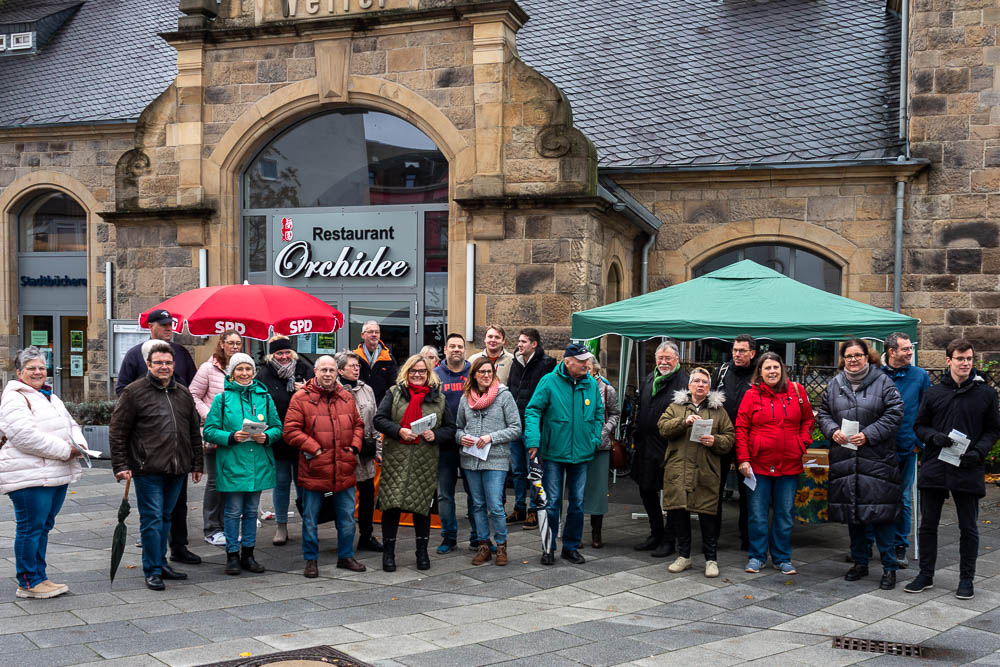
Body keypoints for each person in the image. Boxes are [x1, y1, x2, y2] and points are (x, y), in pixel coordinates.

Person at [908, 338, 1000, 601]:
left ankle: (966, 579)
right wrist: (933, 437)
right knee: (928, 525)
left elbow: (993, 429)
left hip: (968, 466)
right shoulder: (934, 393)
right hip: (936, 465)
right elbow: (919, 425)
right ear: (948, 361)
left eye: (969, 358)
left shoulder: (986, 393)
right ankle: (925, 574)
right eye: (960, 359)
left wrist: (979, 452)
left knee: (968, 527)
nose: (965, 363)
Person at [109, 342, 204, 591]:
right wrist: (120, 465)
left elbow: (193, 431)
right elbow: (118, 431)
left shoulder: (182, 392)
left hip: (177, 467)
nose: (164, 367)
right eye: (159, 363)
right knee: (152, 519)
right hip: (147, 467)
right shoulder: (133, 392)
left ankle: (161, 563)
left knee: (165, 517)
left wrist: (197, 463)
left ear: (174, 365)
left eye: (168, 363)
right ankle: (152, 569)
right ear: (148, 365)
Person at [817, 338, 904, 590]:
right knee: (853, 515)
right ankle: (859, 562)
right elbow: (823, 413)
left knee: (881, 516)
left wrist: (869, 434)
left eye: (858, 355)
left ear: (867, 357)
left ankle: (889, 567)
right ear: (843, 359)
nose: (853, 360)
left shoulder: (883, 381)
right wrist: (832, 430)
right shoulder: (835, 384)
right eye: (849, 356)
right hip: (846, 459)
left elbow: (895, 413)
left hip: (876, 461)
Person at [0, 346, 84, 599]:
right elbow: (25, 437)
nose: (38, 372)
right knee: (30, 528)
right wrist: (66, 451)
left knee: (43, 527)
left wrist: (80, 445)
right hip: (29, 476)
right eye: (31, 368)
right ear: (19, 372)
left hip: (53, 473)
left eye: (41, 367)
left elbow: (71, 424)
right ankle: (28, 582)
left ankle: (40, 577)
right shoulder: (15, 397)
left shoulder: (48, 396)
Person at [284, 355, 366, 577]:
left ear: (337, 372)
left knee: (347, 517)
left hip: (344, 467)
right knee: (311, 518)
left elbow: (358, 425)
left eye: (331, 370)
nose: (328, 374)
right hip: (314, 469)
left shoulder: (346, 397)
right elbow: (290, 431)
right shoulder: (301, 398)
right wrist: (314, 449)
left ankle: (346, 556)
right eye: (324, 370)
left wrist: (354, 447)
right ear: (316, 372)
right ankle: (311, 560)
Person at [374, 354, 456, 572]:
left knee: (422, 508)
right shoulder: (394, 393)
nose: (417, 375)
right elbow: (379, 419)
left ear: (429, 374)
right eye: (413, 371)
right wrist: (398, 430)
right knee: (391, 506)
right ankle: (388, 553)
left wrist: (435, 435)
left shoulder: (438, 399)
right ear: (406, 372)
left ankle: (422, 552)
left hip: (424, 460)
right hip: (396, 458)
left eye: (422, 371)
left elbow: (451, 429)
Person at [201, 353, 281, 575]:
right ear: (232, 373)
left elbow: (277, 427)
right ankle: (232, 555)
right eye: (239, 369)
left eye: (248, 369)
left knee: (251, 511)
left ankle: (249, 554)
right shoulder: (222, 399)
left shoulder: (264, 397)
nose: (244, 373)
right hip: (233, 462)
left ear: (253, 372)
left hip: (257, 462)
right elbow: (209, 431)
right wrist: (230, 436)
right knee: (233, 511)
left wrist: (267, 436)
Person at [524, 342, 603, 566]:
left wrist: (594, 438)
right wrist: (533, 440)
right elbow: (533, 410)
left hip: (582, 453)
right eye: (581, 361)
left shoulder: (591, 383)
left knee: (577, 503)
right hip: (554, 453)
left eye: (587, 360)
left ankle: (571, 547)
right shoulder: (549, 381)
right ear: (567, 362)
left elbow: (599, 412)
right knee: (552, 502)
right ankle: (548, 548)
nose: (586, 364)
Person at [735, 352, 814, 575]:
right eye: (767, 368)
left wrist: (802, 442)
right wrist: (743, 459)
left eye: (775, 367)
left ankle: (782, 558)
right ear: (760, 372)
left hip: (789, 462)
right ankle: (757, 556)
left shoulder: (797, 391)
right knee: (757, 514)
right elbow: (741, 428)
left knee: (784, 514)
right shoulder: (751, 395)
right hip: (758, 464)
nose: (772, 371)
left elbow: (808, 419)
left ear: (782, 370)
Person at [657, 367, 735, 578]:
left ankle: (711, 559)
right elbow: (662, 428)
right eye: (697, 381)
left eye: (705, 382)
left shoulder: (718, 411)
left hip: (705, 470)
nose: (700, 385)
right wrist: (683, 422)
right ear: (689, 385)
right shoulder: (676, 407)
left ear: (709, 387)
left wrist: (715, 440)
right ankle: (684, 556)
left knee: (707, 515)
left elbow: (730, 437)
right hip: (679, 469)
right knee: (679, 513)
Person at [456, 357, 522, 566]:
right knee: (477, 505)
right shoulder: (465, 398)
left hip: (495, 459)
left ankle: (501, 546)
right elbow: (457, 427)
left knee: (495, 505)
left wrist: (491, 437)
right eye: (482, 372)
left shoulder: (504, 396)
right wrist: (461, 437)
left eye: (489, 372)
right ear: (474, 375)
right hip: (471, 460)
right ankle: (483, 546)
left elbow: (516, 428)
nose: (486, 375)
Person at [256, 335, 314, 546]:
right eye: (279, 353)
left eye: (286, 352)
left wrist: (307, 390)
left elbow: (319, 395)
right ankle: (281, 526)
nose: (283, 356)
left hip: (302, 437)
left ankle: (308, 524)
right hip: (278, 438)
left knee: (303, 484)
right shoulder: (264, 375)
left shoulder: (305, 370)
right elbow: (259, 404)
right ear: (271, 355)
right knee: (280, 484)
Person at [879, 332, 931, 569]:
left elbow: (927, 410)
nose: (911, 352)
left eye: (911, 348)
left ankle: (900, 545)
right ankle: (872, 543)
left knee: (903, 498)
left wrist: (919, 441)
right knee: (875, 495)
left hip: (907, 446)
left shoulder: (920, 376)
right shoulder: (876, 375)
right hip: (879, 447)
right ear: (891, 352)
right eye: (906, 349)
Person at [633, 341, 688, 558]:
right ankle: (656, 533)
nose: (664, 362)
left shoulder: (684, 383)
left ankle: (669, 540)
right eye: (660, 358)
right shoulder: (649, 379)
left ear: (677, 359)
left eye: (668, 358)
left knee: (672, 496)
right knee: (646, 489)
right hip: (646, 446)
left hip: (670, 447)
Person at [189, 329, 243, 547]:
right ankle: (212, 528)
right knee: (215, 482)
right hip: (215, 435)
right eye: (231, 342)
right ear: (221, 343)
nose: (235, 347)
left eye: (238, 343)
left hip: (237, 435)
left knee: (232, 481)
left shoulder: (242, 367)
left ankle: (228, 525)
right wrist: (210, 415)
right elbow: (193, 394)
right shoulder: (208, 368)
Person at [505, 328, 557, 528]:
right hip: (515, 426)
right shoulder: (515, 363)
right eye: (519, 341)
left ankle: (534, 510)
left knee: (534, 470)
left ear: (534, 344)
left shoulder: (547, 364)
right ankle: (519, 508)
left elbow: (548, 398)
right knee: (517, 471)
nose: (519, 344)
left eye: (523, 341)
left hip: (534, 428)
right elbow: (511, 391)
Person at [710, 334, 757, 550]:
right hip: (722, 437)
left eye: (742, 351)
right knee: (715, 488)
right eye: (735, 350)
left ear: (752, 353)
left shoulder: (759, 374)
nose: (737, 354)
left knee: (747, 490)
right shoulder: (721, 371)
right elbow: (710, 400)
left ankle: (747, 537)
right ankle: (712, 536)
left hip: (748, 439)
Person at [433, 333, 477, 553]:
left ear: (464, 350)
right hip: (444, 443)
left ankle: (478, 536)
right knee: (444, 494)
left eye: (460, 346)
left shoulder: (474, 373)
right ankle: (449, 537)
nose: (457, 349)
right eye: (452, 346)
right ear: (445, 349)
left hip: (470, 442)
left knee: (475, 493)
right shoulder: (435, 375)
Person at [336, 351, 383, 553]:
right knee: (344, 498)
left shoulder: (367, 389)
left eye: (357, 366)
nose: (356, 369)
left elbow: (375, 421)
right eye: (351, 366)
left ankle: (366, 535)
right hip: (345, 451)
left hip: (366, 451)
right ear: (340, 370)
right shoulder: (335, 390)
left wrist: (378, 449)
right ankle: (344, 537)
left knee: (367, 495)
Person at [583, 358, 619, 548]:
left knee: (598, 491)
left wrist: (604, 431)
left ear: (595, 370)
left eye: (587, 367)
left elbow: (614, 413)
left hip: (600, 446)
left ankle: (596, 532)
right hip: (577, 446)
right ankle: (574, 531)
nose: (584, 370)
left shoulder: (607, 389)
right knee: (577, 490)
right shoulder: (574, 387)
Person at [354, 320, 398, 406]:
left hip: (382, 405)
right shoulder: (355, 358)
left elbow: (393, 386)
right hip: (359, 404)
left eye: (377, 332)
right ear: (362, 335)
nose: (374, 334)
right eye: (370, 332)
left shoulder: (389, 359)